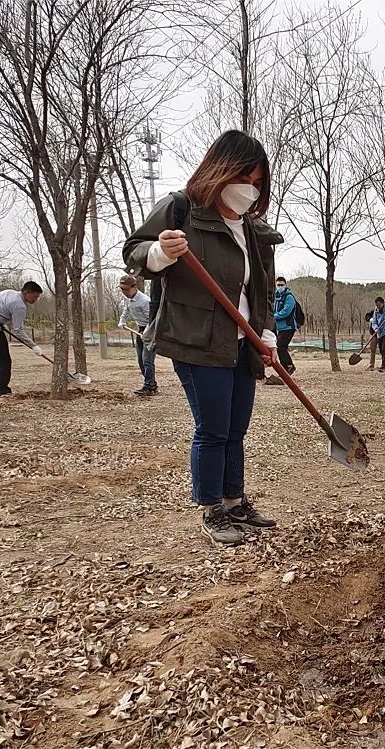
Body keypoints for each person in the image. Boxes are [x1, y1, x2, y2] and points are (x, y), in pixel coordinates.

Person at [123, 129, 281, 547]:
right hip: (197, 339)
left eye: (259, 182)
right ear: (220, 170)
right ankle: (212, 509)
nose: (251, 189)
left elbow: (258, 290)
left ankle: (234, 501)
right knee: (213, 427)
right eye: (244, 178)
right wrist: (160, 251)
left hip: (243, 341)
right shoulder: (182, 210)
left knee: (236, 427)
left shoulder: (253, 230)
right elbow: (136, 251)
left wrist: (266, 333)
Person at [118, 275, 157, 396]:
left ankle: (150, 387)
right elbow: (126, 310)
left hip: (149, 331)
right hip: (140, 330)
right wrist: (122, 320)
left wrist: (147, 332)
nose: (124, 292)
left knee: (147, 360)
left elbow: (152, 318)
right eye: (122, 289)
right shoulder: (128, 299)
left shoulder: (144, 301)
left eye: (126, 289)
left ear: (134, 287)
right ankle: (151, 384)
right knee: (140, 360)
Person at [273, 276, 297, 375]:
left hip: (288, 326)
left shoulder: (289, 297)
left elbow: (286, 312)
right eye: (278, 285)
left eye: (282, 285)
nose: (280, 287)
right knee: (280, 348)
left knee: (281, 347)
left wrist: (274, 316)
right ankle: (285, 369)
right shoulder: (275, 297)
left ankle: (289, 366)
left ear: (285, 285)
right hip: (279, 327)